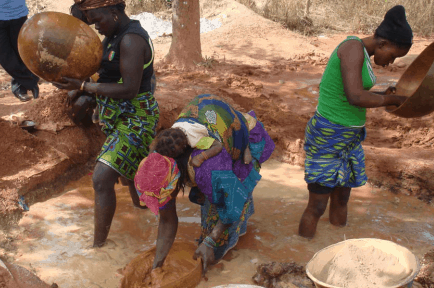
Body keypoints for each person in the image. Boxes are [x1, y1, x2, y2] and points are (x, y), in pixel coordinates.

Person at [298, 5, 413, 239]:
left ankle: (340, 247)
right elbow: (355, 96)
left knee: (341, 200)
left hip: (349, 140)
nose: (389, 63)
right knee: (317, 206)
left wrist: (383, 94)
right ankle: (303, 255)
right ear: (382, 44)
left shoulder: (362, 54)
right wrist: (392, 98)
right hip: (327, 137)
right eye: (392, 56)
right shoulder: (352, 48)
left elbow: (354, 93)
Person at [54, 0, 159, 247]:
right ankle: (142, 213)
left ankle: (98, 249)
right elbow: (103, 70)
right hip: (117, 116)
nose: (96, 26)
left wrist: (83, 86)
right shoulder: (114, 35)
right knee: (128, 173)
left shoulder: (131, 40)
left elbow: (129, 89)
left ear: (114, 13)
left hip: (137, 118)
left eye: (98, 20)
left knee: (101, 178)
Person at [134, 94, 275, 277]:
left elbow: (234, 199)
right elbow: (167, 219)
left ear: (174, 180)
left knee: (217, 243)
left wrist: (210, 241)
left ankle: (237, 235)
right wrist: (156, 267)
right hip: (213, 126)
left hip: (242, 138)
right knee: (213, 205)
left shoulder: (207, 167)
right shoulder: (158, 162)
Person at [0, 0, 39, 102]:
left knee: (20, 53)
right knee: (4, 56)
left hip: (18, 13)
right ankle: (31, 82)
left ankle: (20, 89)